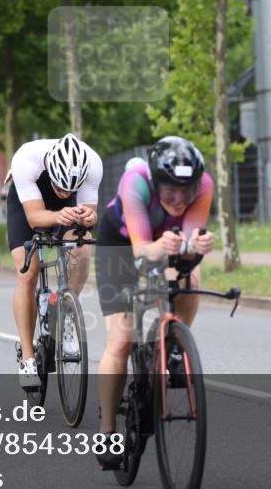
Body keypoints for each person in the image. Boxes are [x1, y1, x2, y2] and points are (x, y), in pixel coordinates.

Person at [92, 136, 215, 469]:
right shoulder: (136, 182)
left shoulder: (204, 184)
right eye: (170, 190)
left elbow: (189, 237)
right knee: (120, 340)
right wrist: (161, 246)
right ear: (155, 182)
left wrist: (198, 245)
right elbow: (141, 249)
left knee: (189, 280)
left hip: (165, 241)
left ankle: (173, 344)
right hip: (121, 245)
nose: (179, 198)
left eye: (187, 190)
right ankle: (106, 432)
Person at [6, 133, 103, 389]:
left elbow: (91, 215)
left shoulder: (92, 164)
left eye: (69, 190)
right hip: (29, 202)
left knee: (82, 248)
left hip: (68, 208)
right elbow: (35, 219)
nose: (63, 193)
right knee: (28, 272)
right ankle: (28, 357)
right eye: (60, 188)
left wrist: (87, 217)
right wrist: (59, 213)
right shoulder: (26, 159)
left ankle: (67, 312)